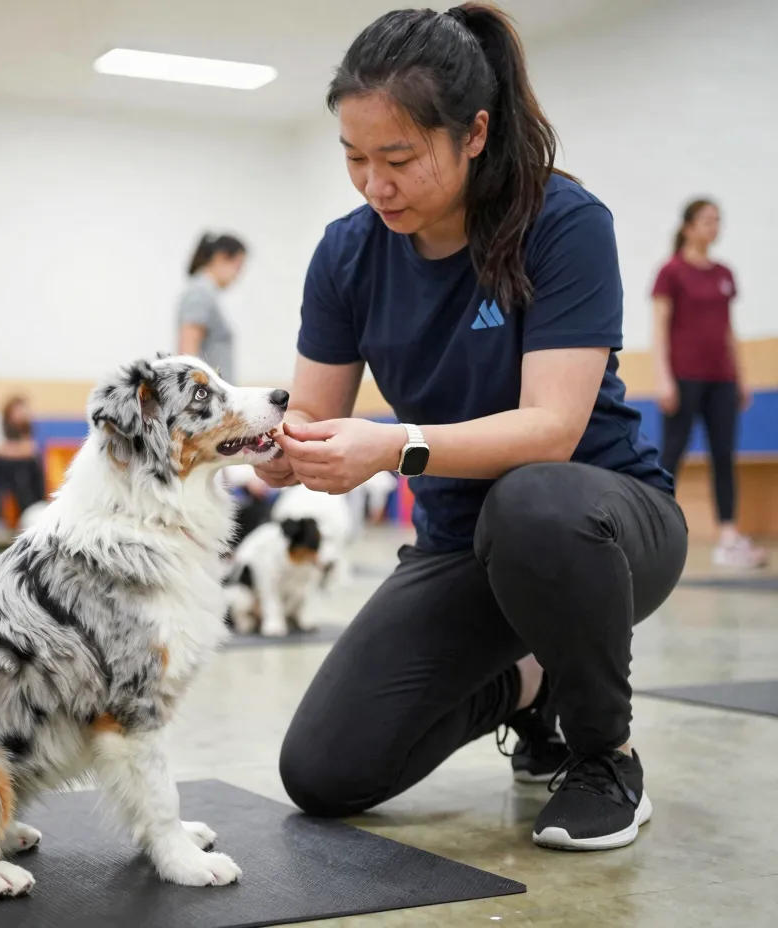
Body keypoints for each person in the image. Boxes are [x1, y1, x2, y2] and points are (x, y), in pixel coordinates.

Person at [258, 3, 687, 853]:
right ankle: (530, 692)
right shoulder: (347, 253)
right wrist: (282, 446)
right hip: (461, 550)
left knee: (533, 503)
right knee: (324, 774)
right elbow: (312, 408)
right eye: (353, 158)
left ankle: (606, 756)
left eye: (399, 158)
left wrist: (391, 446)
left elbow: (552, 431)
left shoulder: (562, 224)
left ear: (475, 133)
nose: (374, 184)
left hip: (600, 528)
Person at [652, 199, 767, 569]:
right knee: (672, 455)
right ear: (688, 227)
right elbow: (659, 328)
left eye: (718, 220)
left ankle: (729, 538)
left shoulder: (724, 273)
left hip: (722, 379)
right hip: (684, 378)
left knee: (724, 455)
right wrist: (663, 377)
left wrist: (741, 377)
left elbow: (729, 330)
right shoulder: (670, 272)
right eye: (706, 220)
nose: (713, 226)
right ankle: (654, 528)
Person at [176, 233, 247, 385]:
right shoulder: (200, 292)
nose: (238, 275)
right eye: (238, 266)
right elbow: (187, 352)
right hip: (209, 401)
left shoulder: (208, 293)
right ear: (221, 257)